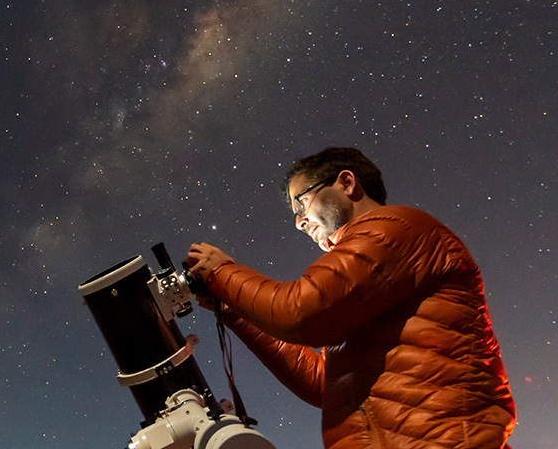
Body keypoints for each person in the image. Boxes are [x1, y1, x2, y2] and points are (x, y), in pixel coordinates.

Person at [185, 147, 516, 449]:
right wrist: (234, 310)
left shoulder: (393, 230)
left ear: (346, 183)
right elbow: (325, 383)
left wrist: (221, 271)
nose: (299, 222)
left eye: (300, 202)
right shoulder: (363, 270)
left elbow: (300, 311)